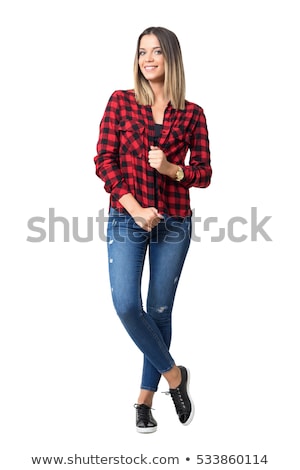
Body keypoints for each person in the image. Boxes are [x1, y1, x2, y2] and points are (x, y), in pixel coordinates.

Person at [94, 26, 212, 433]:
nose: (148, 59)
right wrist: (135, 207)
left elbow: (204, 173)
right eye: (142, 51)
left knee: (159, 310)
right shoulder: (121, 102)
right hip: (128, 215)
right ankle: (174, 376)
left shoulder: (193, 113)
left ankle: (144, 401)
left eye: (157, 52)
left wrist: (172, 169)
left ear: (171, 59)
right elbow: (103, 160)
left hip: (175, 220)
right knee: (127, 304)